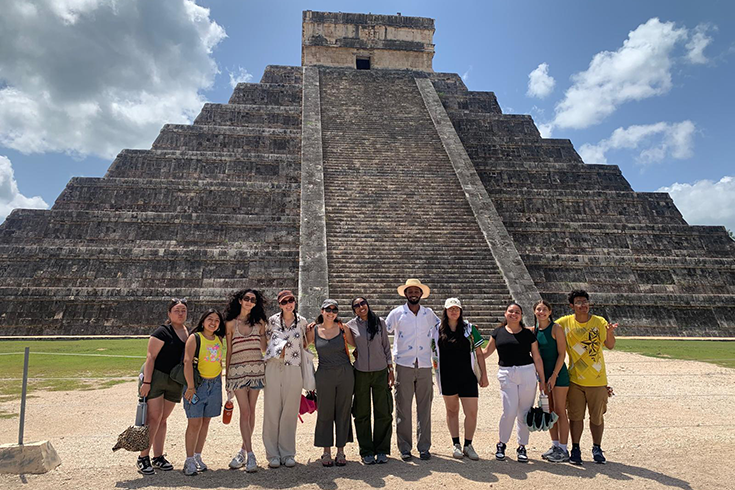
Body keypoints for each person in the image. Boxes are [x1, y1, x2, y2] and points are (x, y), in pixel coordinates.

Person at [556, 290, 617, 465]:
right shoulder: (564, 323)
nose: (583, 305)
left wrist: (610, 332)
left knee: (597, 417)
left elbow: (610, 345)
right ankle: (575, 448)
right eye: (579, 302)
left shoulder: (599, 322)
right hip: (575, 379)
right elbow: (546, 327)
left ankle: (597, 447)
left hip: (597, 380)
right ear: (571, 306)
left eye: (585, 301)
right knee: (575, 417)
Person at [482, 302, 546, 463]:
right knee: (508, 411)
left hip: (527, 372)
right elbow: (486, 352)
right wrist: (468, 350)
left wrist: (543, 379)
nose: (514, 314)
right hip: (506, 373)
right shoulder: (498, 332)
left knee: (524, 412)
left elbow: (537, 357)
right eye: (511, 311)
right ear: (505, 314)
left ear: (521, 315)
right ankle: (502, 443)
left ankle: (522, 446)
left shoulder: (528, 334)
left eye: (517, 312)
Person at [385, 279, 440, 461]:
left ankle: (424, 446)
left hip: (424, 364)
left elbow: (442, 328)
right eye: (410, 291)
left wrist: (469, 328)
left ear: (421, 294)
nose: (414, 294)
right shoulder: (397, 313)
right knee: (403, 408)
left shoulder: (429, 314)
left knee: (425, 408)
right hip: (404, 364)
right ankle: (405, 447)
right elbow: (384, 332)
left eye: (417, 291)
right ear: (406, 294)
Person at [431, 298, 488, 461]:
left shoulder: (469, 329)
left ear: (461, 311)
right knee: (451, 411)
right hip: (447, 376)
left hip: (467, 376)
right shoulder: (436, 330)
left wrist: (484, 374)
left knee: (471, 412)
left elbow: (479, 353)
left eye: (457, 308)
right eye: (450, 309)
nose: (454, 311)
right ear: (445, 311)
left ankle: (468, 444)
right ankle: (455, 444)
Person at [136, 298, 189, 475]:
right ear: (169, 313)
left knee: (163, 419)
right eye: (177, 310)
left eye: (183, 310)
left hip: (174, 379)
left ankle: (157, 456)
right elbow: (150, 357)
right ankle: (143, 457)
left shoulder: (186, 332)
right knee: (153, 418)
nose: (180, 313)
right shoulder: (162, 331)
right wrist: (147, 382)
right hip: (157, 377)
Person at [305, 299, 356, 467]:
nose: (331, 312)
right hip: (324, 373)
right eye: (328, 309)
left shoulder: (343, 328)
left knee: (343, 410)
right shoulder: (314, 330)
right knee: (325, 412)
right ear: (322, 311)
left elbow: (356, 345)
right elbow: (303, 346)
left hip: (344, 373)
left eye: (334, 310)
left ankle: (341, 450)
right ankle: (326, 451)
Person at [262, 289, 309, 468]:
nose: (288, 304)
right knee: (272, 410)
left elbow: (305, 342)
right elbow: (264, 341)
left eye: (291, 301)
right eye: (284, 302)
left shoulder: (302, 321)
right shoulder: (272, 321)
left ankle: (288, 452)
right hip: (274, 366)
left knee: (290, 411)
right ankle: (272, 454)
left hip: (293, 366)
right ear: (279, 304)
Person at [224, 289, 268, 472]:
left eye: (253, 300)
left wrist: (267, 334)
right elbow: (229, 350)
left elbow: (264, 348)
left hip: (256, 370)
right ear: (240, 301)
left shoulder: (259, 323)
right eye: (247, 299)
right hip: (238, 371)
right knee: (245, 412)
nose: (250, 302)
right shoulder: (230, 324)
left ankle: (243, 450)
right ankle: (250, 454)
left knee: (251, 411)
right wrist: (227, 375)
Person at [347, 296, 394, 465]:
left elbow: (386, 347)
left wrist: (390, 369)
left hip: (380, 370)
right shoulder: (350, 326)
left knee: (383, 411)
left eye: (363, 303)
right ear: (354, 310)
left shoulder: (379, 322)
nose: (361, 307)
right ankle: (366, 450)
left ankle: (381, 449)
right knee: (362, 412)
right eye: (357, 306)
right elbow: (334, 330)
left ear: (367, 305)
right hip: (361, 373)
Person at [182, 309, 226, 476]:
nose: (213, 323)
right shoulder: (195, 338)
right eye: (210, 319)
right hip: (197, 384)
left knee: (205, 422)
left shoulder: (218, 339)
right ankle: (189, 459)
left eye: (216, 320)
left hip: (214, 383)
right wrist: (191, 387)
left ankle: (198, 455)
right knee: (194, 423)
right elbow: (187, 362)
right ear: (202, 321)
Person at [533, 299, 571, 463]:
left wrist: (554, 375)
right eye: (538, 309)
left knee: (560, 411)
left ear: (550, 312)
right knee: (549, 410)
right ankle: (555, 445)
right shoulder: (534, 330)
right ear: (534, 312)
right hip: (543, 376)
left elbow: (562, 354)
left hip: (558, 375)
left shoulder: (556, 328)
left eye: (544, 309)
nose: (541, 312)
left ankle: (563, 448)